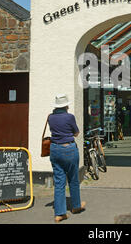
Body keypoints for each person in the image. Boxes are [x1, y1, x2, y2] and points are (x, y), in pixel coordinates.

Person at [48, 94, 86, 223]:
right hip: (69, 149)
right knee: (73, 179)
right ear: (65, 106)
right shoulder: (69, 117)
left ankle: (60, 213)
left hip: (55, 149)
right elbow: (76, 133)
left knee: (59, 182)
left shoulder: (50, 117)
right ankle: (76, 206)